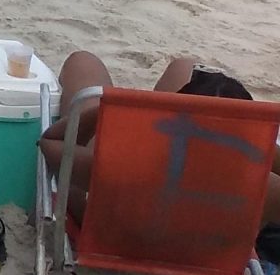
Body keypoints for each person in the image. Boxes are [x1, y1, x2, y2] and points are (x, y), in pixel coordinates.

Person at [38, 54, 280, 231]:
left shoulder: (122, 165)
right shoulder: (263, 187)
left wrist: (101, 112)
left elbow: (50, 143)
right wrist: (258, 144)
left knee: (83, 62)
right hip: (204, 252)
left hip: (121, 235)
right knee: (185, 66)